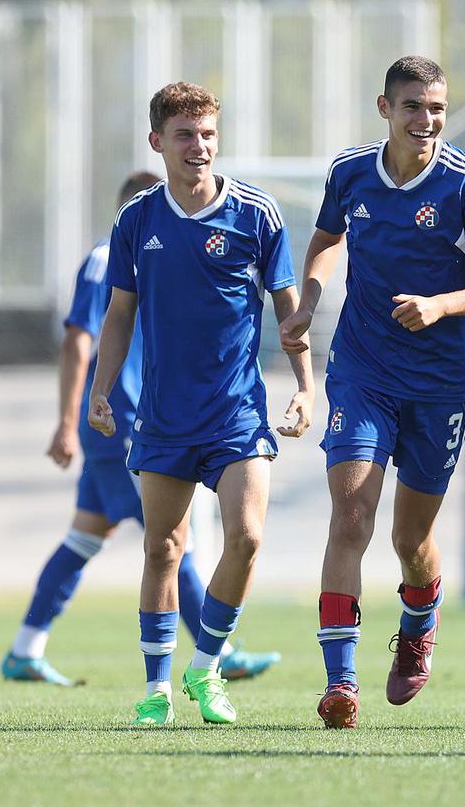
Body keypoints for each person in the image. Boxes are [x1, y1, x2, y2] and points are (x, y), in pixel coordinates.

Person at [279, 56, 465, 729]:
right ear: (384, 107)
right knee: (351, 514)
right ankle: (341, 682)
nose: (427, 120)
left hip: (439, 381)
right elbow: (328, 240)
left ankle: (419, 622)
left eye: (437, 108)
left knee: (410, 538)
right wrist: (310, 300)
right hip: (363, 368)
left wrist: (443, 305)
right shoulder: (350, 171)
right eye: (414, 106)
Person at [89, 82, 314, 726]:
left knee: (246, 537)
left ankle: (206, 666)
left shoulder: (258, 214)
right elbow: (119, 315)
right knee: (164, 547)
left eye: (209, 133)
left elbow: (288, 310)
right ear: (158, 141)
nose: (199, 146)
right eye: (185, 135)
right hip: (163, 414)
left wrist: (305, 385)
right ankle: (158, 689)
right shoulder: (137, 220)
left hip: (237, 412)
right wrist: (102, 391)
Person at [2, 172, 280, 687]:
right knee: (172, 544)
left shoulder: (160, 258)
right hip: (127, 421)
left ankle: (25, 648)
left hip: (128, 420)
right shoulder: (111, 257)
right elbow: (78, 340)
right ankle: (220, 655)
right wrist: (69, 418)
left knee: (86, 536)